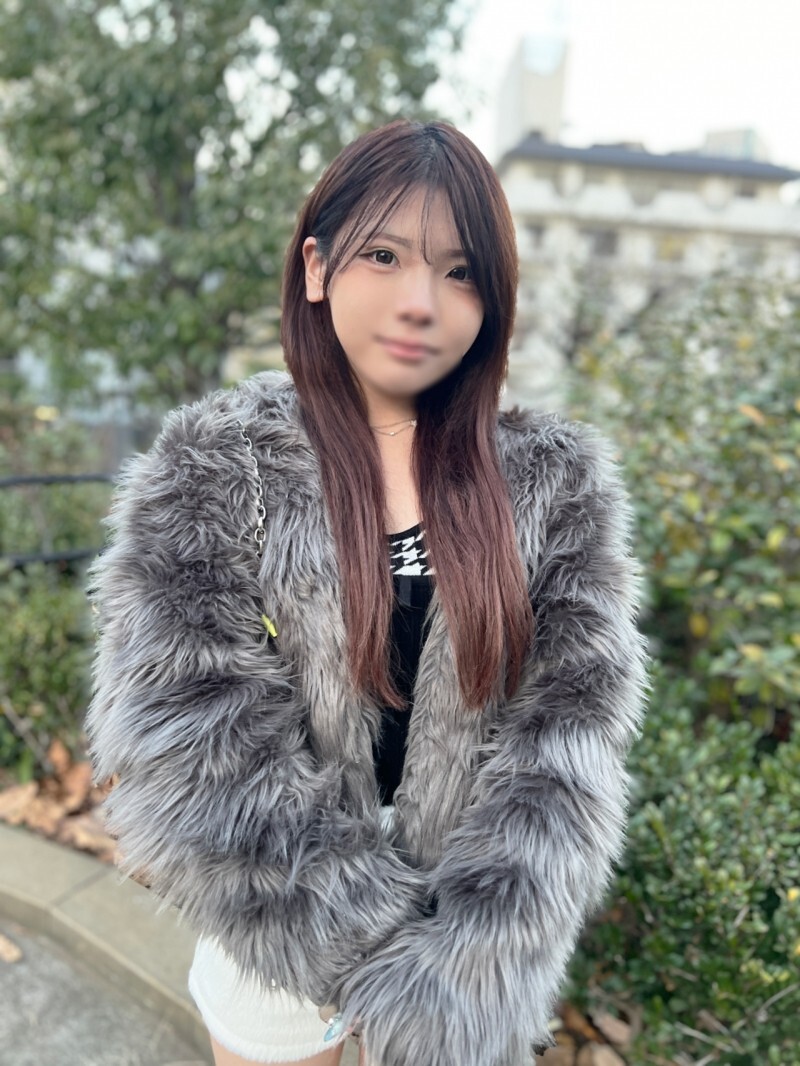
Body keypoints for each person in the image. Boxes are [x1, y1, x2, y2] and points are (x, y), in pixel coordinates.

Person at [86, 120, 648, 1066]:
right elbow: (186, 727)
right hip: (271, 923)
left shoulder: (554, 485)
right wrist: (362, 939)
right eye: (384, 255)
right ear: (317, 266)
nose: (420, 302)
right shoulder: (217, 466)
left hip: (460, 955)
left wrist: (469, 960)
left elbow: (571, 739)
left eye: (461, 272)